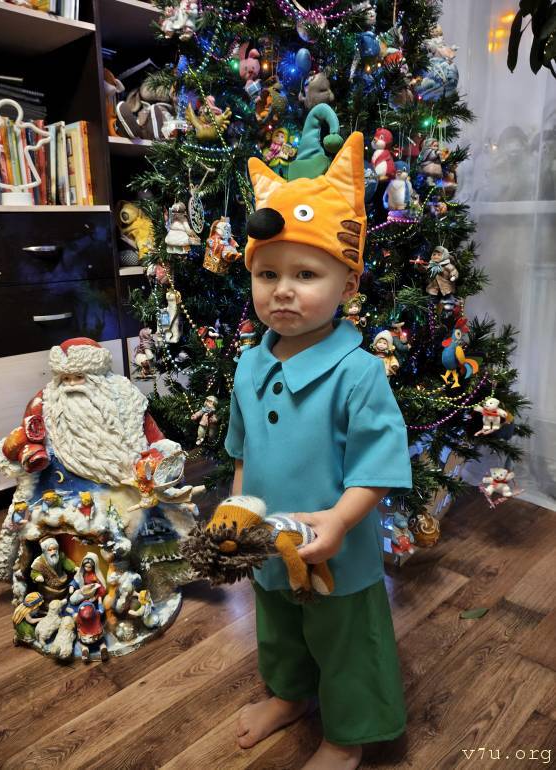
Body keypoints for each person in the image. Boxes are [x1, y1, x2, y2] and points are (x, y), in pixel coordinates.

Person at [225, 132, 412, 769]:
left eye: (305, 274)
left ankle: (347, 735)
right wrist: (238, 511)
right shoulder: (249, 365)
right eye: (268, 273)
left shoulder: (359, 373)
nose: (282, 289)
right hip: (268, 542)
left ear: (347, 282)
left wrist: (338, 522)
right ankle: (288, 696)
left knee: (346, 641)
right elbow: (242, 449)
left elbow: (378, 466)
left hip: (337, 550)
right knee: (277, 624)